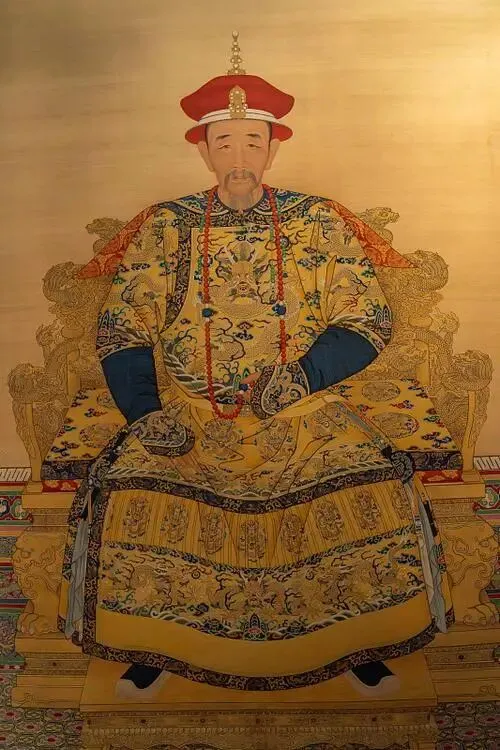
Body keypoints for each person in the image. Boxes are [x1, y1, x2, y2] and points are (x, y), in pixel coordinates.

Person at [59, 33, 458, 700]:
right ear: (203, 149)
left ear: (273, 147)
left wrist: (304, 376)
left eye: (253, 143)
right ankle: (155, 646)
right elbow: (122, 324)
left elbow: (367, 318)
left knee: (361, 480)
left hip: (301, 409)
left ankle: (357, 644)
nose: (239, 159)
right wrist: (146, 413)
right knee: (135, 486)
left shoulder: (315, 222)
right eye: (225, 144)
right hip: (192, 412)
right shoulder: (168, 226)